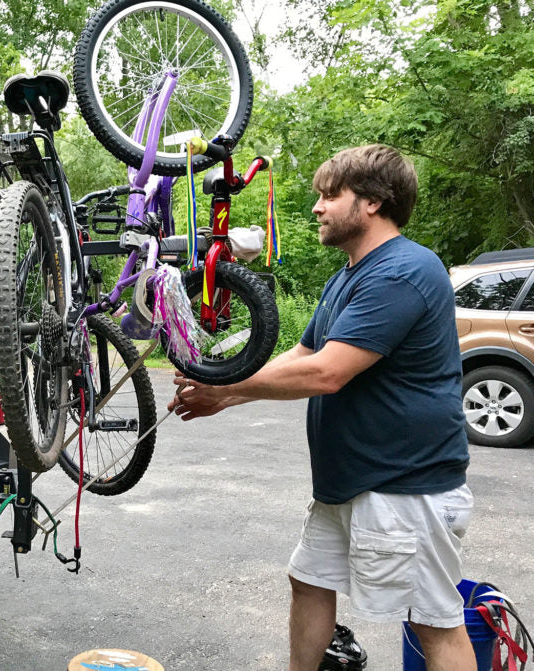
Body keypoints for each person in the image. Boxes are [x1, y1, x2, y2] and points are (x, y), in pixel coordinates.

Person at [169, 145, 475, 671]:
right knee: (309, 582)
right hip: (353, 480)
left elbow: (328, 373)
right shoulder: (349, 275)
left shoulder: (402, 271)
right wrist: (231, 392)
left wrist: (223, 387)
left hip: (405, 482)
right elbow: (303, 355)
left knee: (434, 622)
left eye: (331, 195)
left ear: (374, 202)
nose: (318, 207)